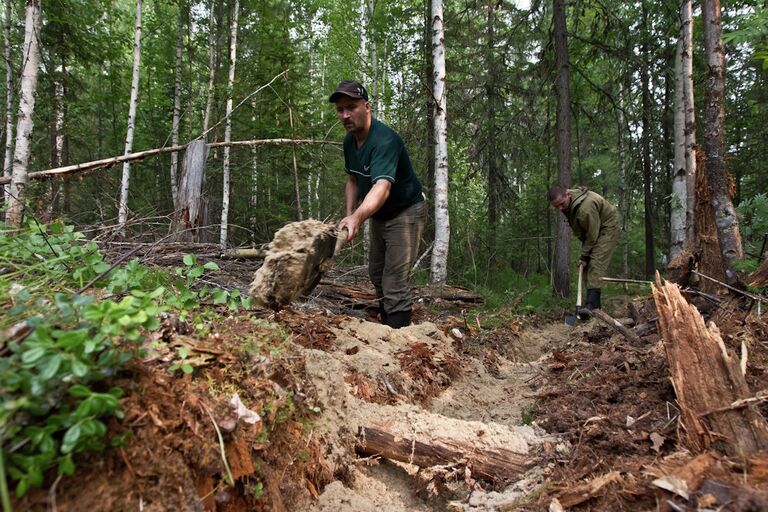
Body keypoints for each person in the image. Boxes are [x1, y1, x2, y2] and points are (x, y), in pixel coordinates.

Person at [330, 80, 426, 329]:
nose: (345, 115)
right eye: (340, 110)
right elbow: (352, 179)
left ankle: (400, 338)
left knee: (394, 280)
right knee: (376, 273)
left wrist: (358, 217)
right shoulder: (349, 142)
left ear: (367, 106)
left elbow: (382, 188)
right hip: (380, 215)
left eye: (351, 107)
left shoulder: (385, 140)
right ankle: (387, 327)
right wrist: (349, 215)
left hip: (406, 212)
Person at [548, 185, 619, 316]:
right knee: (586, 268)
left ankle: (591, 306)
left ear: (568, 194)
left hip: (607, 227)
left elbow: (592, 235)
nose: (560, 209)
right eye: (556, 207)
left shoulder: (585, 209)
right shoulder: (571, 202)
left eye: (561, 204)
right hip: (594, 229)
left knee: (596, 264)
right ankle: (594, 308)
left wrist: (584, 256)